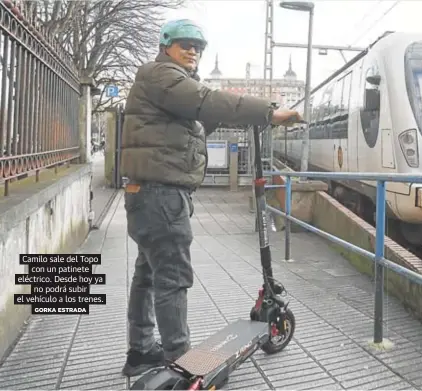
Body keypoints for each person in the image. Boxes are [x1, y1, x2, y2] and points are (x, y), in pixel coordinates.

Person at [119, 19, 303, 377]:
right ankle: (185, 367)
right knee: (172, 279)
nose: (193, 51)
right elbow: (205, 101)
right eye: (185, 44)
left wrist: (234, 117)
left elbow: (196, 122)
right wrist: (267, 111)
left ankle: (141, 351)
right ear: (165, 45)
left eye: (198, 47)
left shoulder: (169, 84)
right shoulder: (161, 75)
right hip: (161, 196)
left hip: (150, 195)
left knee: (148, 276)